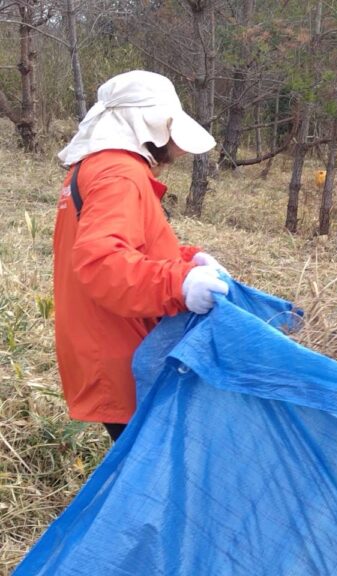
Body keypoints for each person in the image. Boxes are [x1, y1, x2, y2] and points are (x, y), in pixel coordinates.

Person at [52, 70, 230, 442]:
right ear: (143, 124)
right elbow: (103, 263)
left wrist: (188, 258)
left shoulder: (93, 168)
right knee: (148, 477)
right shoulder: (119, 173)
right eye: (167, 127)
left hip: (102, 341)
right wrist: (180, 284)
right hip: (122, 353)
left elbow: (123, 244)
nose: (172, 144)